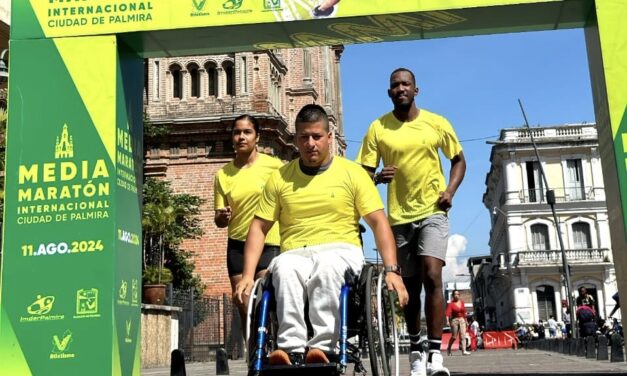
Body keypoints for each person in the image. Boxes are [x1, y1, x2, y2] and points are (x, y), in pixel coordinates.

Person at [234, 104, 409, 365]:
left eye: (317, 136)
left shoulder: (353, 174)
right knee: (283, 268)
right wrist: (248, 275)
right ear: (295, 139)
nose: (310, 143)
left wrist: (393, 270)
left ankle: (323, 348)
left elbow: (379, 222)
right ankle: (291, 348)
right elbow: (259, 227)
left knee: (327, 267)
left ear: (329, 138)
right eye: (304, 137)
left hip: (340, 249)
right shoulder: (281, 177)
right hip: (295, 251)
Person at [356, 67, 466, 376]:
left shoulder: (437, 123)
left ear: (416, 90)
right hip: (399, 217)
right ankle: (416, 350)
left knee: (433, 275)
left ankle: (435, 355)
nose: (400, 88)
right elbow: (362, 172)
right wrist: (377, 176)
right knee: (410, 286)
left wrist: (450, 191)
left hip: (433, 211)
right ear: (389, 92)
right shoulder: (378, 128)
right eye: (395, 85)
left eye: (406, 84)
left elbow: (458, 159)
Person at [214, 114, 284, 332]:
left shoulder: (275, 167)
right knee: (245, 305)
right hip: (237, 244)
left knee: (264, 300)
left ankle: (274, 347)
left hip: (269, 242)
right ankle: (254, 358)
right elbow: (218, 219)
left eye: (247, 132)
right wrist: (222, 216)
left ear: (257, 137)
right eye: (237, 132)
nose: (241, 137)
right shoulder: (223, 174)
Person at [445, 290, 470, 356]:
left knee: (463, 336)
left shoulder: (462, 302)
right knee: (454, 337)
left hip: (462, 320)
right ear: (453, 296)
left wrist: (466, 321)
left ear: (459, 295)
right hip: (454, 320)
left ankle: (464, 350)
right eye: (455, 294)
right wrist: (447, 321)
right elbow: (448, 313)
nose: (456, 295)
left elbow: (464, 312)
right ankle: (449, 348)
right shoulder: (451, 304)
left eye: (458, 294)